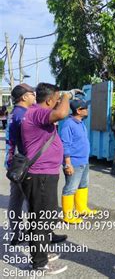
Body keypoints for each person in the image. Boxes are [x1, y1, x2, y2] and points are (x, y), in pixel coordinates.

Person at [21, 83, 82, 275]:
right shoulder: (38, 113)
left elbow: (57, 113)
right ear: (49, 100)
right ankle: (39, 263)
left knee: (43, 218)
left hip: (44, 175)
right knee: (41, 220)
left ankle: (41, 253)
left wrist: (61, 97)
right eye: (56, 99)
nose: (58, 103)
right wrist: (66, 95)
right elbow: (62, 113)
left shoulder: (35, 112)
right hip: (41, 176)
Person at [5, 83, 36, 246]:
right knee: (32, 200)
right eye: (32, 93)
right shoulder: (22, 115)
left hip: (14, 162)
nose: (34, 95)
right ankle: (36, 235)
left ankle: (16, 234)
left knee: (16, 200)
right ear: (24, 97)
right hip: (22, 163)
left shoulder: (15, 112)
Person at [60, 99, 97, 224]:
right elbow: (65, 145)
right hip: (74, 162)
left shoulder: (80, 122)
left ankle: (82, 209)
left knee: (83, 185)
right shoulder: (68, 124)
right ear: (78, 110)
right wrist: (67, 163)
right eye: (85, 108)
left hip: (84, 161)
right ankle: (68, 215)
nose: (87, 110)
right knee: (70, 188)